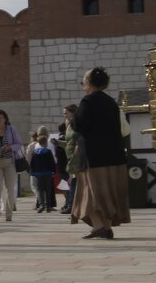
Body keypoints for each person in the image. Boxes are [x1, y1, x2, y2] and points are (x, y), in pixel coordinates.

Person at [71, 67, 130, 239]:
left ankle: (99, 226)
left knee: (90, 194)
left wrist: (74, 118)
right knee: (107, 193)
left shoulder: (87, 102)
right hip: (114, 155)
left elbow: (79, 125)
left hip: (94, 156)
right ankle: (105, 226)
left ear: (89, 83)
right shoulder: (111, 102)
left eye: (84, 82)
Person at [0, 108, 24, 221]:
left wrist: (10, 147)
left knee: (10, 188)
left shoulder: (11, 129)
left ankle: (9, 214)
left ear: (5, 119)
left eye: (0, 118)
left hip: (10, 162)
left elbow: (19, 144)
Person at [27, 126, 58, 212]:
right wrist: (54, 171)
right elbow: (53, 160)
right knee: (48, 189)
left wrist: (32, 171)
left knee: (40, 189)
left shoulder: (36, 146)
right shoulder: (50, 144)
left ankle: (41, 205)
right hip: (48, 173)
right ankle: (48, 206)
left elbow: (32, 161)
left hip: (38, 173)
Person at [59, 104, 77, 213]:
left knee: (75, 181)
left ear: (73, 112)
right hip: (69, 156)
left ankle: (71, 205)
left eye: (66, 113)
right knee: (73, 181)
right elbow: (69, 142)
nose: (65, 116)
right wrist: (58, 142)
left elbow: (78, 140)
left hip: (77, 156)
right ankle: (71, 204)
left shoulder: (77, 123)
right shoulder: (68, 124)